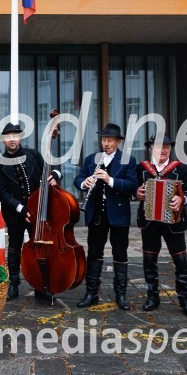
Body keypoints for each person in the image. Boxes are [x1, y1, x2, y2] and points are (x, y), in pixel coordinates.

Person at [0, 122, 60, 302]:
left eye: (15, 135)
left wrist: (56, 176)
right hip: (15, 213)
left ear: (20, 137)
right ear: (3, 140)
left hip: (38, 211)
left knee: (40, 247)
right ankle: (13, 284)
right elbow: (3, 192)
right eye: (8, 136)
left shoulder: (33, 155)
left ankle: (41, 285)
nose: (12, 139)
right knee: (14, 247)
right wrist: (22, 209)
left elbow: (50, 170)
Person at [73, 123, 138, 309]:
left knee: (120, 253)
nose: (106, 143)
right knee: (94, 252)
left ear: (118, 142)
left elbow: (132, 185)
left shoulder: (128, 160)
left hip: (118, 214)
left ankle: (121, 295)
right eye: (103, 139)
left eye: (110, 140)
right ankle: (91, 293)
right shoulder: (92, 159)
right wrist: (84, 183)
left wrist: (109, 180)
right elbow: (78, 178)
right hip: (97, 214)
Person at [134, 132, 187, 317]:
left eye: (166, 147)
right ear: (150, 148)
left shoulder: (181, 169)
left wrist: (182, 198)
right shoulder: (141, 169)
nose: (163, 150)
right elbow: (133, 189)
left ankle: (185, 299)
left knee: (180, 261)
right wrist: (137, 193)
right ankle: (153, 296)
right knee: (149, 260)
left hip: (174, 222)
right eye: (159, 146)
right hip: (149, 222)